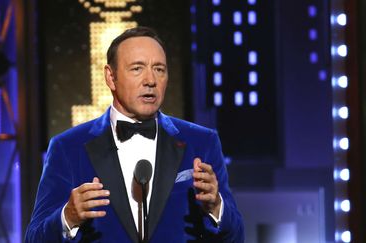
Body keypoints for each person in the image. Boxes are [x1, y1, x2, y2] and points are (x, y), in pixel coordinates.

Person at [25, 26, 244, 243]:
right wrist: (67, 217)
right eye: (137, 68)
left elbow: (236, 236)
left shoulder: (202, 142)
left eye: (159, 69)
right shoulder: (67, 148)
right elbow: (34, 239)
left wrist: (217, 207)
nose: (151, 80)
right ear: (111, 77)